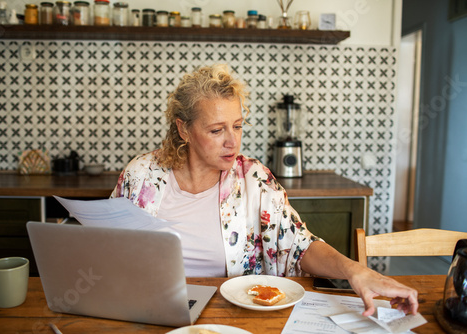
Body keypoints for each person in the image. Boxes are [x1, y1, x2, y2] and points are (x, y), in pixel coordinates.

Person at [111, 63, 418, 317]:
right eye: (217, 130)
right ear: (183, 129)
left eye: (238, 126)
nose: (232, 141)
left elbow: (300, 245)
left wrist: (355, 271)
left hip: (234, 316)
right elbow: (105, 250)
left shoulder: (254, 178)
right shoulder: (140, 176)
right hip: (148, 312)